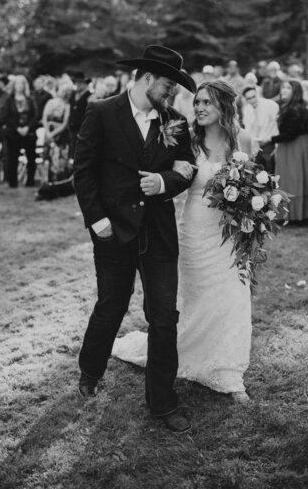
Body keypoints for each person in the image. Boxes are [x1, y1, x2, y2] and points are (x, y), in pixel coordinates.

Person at [73, 45, 196, 434]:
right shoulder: (102, 111)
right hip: (113, 230)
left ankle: (162, 402)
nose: (172, 92)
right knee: (111, 304)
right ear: (147, 78)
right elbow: (84, 170)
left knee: (163, 317)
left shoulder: (175, 121)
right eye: (168, 84)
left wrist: (165, 181)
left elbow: (187, 168)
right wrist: (97, 220)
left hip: (157, 232)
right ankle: (90, 370)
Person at [113, 79, 253, 404]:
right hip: (195, 233)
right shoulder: (189, 140)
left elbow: (254, 187)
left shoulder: (243, 140)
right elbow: (173, 176)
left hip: (231, 236)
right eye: (198, 102)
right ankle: (188, 357)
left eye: (207, 102)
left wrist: (252, 214)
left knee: (233, 300)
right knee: (194, 300)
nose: (200, 107)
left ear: (224, 107)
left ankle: (229, 374)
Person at [267, 79, 308, 221]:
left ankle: (297, 214)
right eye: (283, 88)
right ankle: (286, 212)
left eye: (288, 88)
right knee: (286, 177)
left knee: (295, 177)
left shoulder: (297, 108)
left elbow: (291, 133)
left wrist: (271, 139)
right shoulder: (287, 107)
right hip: (287, 145)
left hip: (296, 145)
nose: (284, 90)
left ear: (295, 92)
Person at [36, 84, 72, 199]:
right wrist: (48, 132)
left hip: (61, 138)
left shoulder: (67, 105)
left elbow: (65, 123)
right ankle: (46, 186)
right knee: (48, 160)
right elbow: (44, 118)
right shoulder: (50, 102)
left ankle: (58, 187)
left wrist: (52, 133)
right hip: (50, 135)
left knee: (58, 162)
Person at [6, 76, 38, 188]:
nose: (20, 86)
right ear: (14, 85)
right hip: (14, 133)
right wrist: (17, 128)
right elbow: (7, 116)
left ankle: (30, 181)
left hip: (29, 132)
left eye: (22, 83)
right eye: (17, 83)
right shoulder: (9, 99)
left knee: (31, 157)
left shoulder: (30, 99)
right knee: (12, 158)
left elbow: (35, 115)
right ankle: (13, 182)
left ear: (25, 85)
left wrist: (27, 127)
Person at [241, 85, 279, 172]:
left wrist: (277, 144)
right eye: (249, 98)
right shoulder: (247, 109)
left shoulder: (270, 105)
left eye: (254, 96)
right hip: (256, 145)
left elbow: (277, 125)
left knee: (270, 170)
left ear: (257, 94)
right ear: (246, 100)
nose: (252, 100)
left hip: (270, 143)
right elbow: (248, 129)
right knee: (257, 171)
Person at [67, 70, 91, 158]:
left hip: (83, 129)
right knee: (72, 152)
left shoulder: (90, 96)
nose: (78, 84)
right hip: (72, 128)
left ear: (85, 83)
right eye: (76, 82)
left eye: (80, 82)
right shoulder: (73, 95)